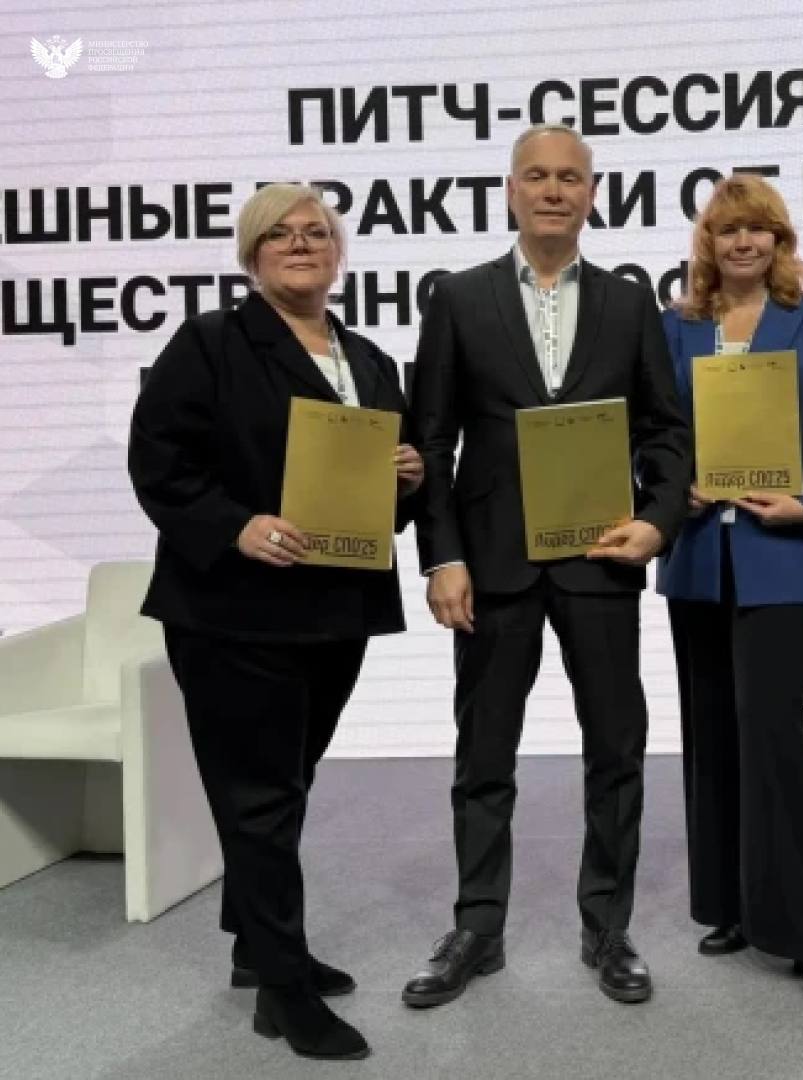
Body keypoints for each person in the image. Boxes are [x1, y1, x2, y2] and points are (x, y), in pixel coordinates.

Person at [128, 183, 423, 1060]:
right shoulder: (211, 343)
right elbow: (159, 463)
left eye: (317, 232)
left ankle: (258, 949)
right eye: (280, 234)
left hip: (335, 612)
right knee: (259, 799)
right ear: (252, 257)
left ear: (338, 252)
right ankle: (285, 993)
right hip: (234, 611)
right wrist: (236, 526)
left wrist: (406, 480)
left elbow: (380, 503)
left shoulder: (369, 361)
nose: (302, 244)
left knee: (284, 785)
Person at [402, 123, 691, 1007]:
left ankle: (607, 928)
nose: (554, 190)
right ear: (511, 191)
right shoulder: (459, 297)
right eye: (537, 176)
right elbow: (432, 440)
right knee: (484, 754)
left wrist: (657, 524)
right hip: (492, 566)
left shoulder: (630, 303)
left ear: (592, 195)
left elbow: (666, 431)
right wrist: (442, 555)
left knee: (616, 749)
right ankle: (477, 928)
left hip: (601, 559)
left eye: (570, 177)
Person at [657, 174, 803, 1010]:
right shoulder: (678, 327)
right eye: (727, 230)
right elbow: (653, 433)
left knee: (774, 730)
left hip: (784, 554)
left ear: (780, 242)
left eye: (758, 229)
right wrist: (673, 488)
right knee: (712, 730)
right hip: (698, 558)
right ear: (707, 243)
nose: (743, 242)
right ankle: (736, 907)